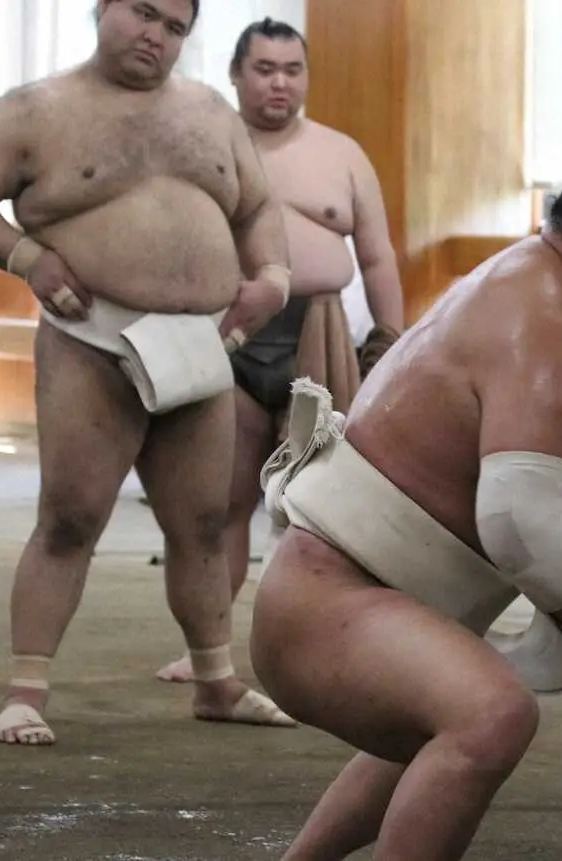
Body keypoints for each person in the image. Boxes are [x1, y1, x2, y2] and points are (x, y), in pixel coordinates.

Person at [249, 133, 562, 861]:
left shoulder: (542, 294)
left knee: (450, 713)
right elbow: (520, 529)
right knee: (488, 715)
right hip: (330, 600)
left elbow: (555, 493)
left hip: (338, 598)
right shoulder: (546, 318)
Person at [0, 0, 296, 745]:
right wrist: (26, 256)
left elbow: (257, 206)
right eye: (142, 13)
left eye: (175, 26)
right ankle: (26, 688)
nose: (156, 34)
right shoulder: (33, 110)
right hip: (93, 337)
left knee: (204, 523)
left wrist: (272, 275)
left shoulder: (211, 113)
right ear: (102, 10)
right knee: (71, 516)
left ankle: (215, 679)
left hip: (203, 343)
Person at [154, 16, 404, 684]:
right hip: (227, 335)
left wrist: (390, 337)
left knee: (326, 511)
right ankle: (210, 647)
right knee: (220, 503)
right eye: (264, 69)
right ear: (236, 74)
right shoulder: (201, 146)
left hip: (317, 335)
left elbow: (376, 255)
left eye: (293, 70)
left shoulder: (342, 153)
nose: (279, 83)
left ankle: (332, 641)